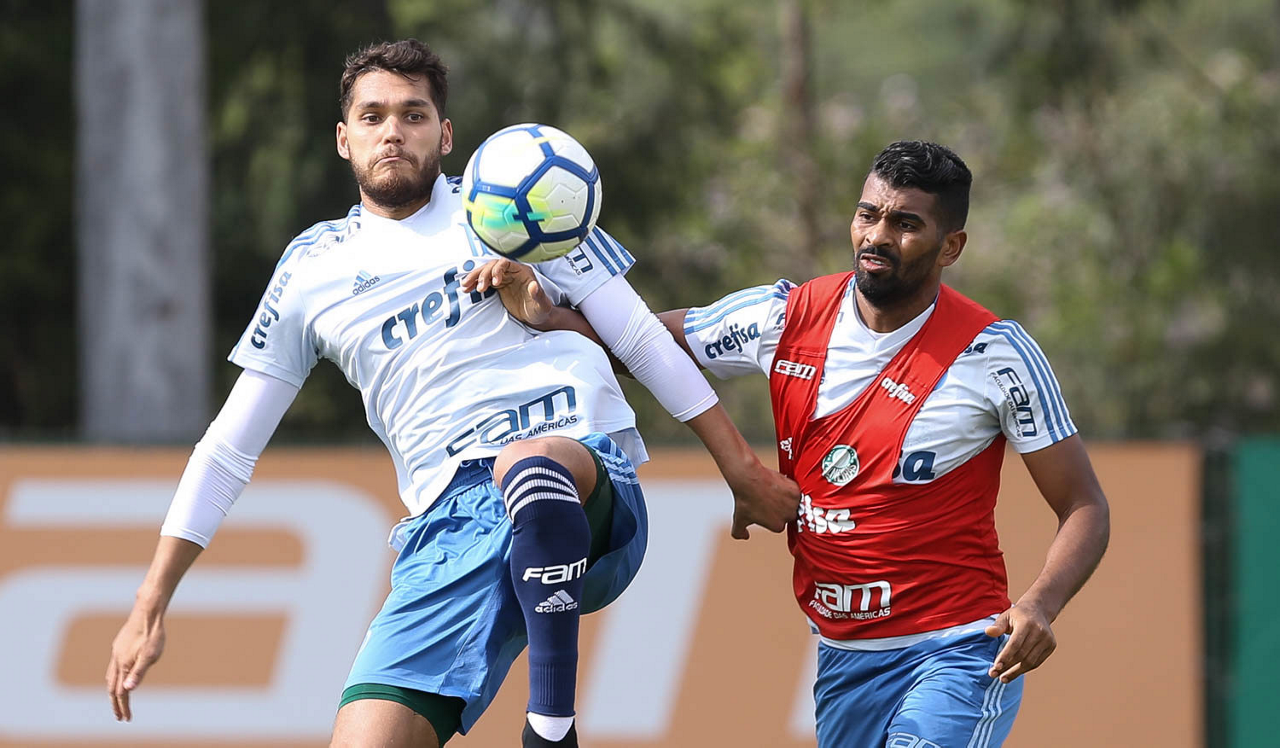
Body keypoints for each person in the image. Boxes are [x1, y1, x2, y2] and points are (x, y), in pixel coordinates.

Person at [105, 39, 797, 748]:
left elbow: (642, 339)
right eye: (373, 117)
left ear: (445, 134)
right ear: (344, 139)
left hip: (585, 486)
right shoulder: (313, 269)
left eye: (413, 115)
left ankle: (551, 728)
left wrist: (740, 468)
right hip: (447, 528)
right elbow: (227, 449)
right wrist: (150, 602)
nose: (393, 132)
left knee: (529, 463)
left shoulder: (521, 197)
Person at [473, 140, 1111, 747]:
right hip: (843, 659)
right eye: (868, 214)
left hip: (959, 649)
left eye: (906, 224)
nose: (877, 236)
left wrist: (1040, 604)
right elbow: (644, 347)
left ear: (952, 246)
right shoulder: (784, 315)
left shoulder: (995, 355)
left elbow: (1084, 505)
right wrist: (546, 315)